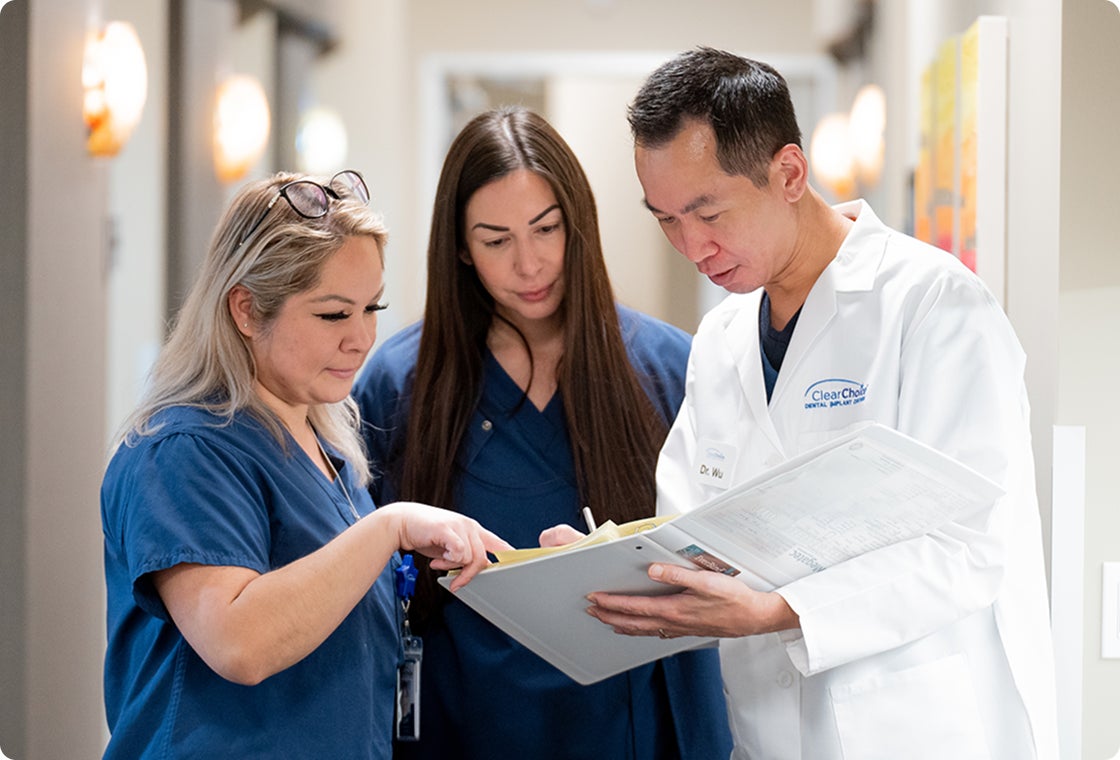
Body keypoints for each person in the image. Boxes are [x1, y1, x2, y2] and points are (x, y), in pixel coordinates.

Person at [584, 48, 1060, 760]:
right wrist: (604, 561)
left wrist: (781, 611)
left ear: (789, 174)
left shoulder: (933, 306)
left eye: (707, 211)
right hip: (767, 733)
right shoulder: (720, 339)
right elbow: (694, 527)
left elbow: (972, 544)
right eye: (665, 220)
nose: (691, 245)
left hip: (915, 727)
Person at [352, 106, 732, 760]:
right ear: (461, 250)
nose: (529, 264)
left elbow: (729, 553)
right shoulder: (400, 385)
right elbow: (362, 579)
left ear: (577, 223)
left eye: (547, 229)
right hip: (464, 721)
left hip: (631, 724)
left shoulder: (672, 368)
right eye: (496, 240)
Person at [100, 169, 510, 759]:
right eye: (332, 314)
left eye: (372, 307)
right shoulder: (185, 451)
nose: (362, 338)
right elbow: (239, 642)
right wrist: (388, 528)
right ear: (245, 309)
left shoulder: (329, 458)